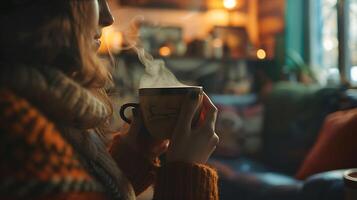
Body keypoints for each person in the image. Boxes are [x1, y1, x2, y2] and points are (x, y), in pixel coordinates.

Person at [0, 0, 219, 200]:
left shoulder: (46, 108)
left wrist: (135, 156)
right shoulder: (18, 132)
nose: (108, 18)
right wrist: (186, 173)